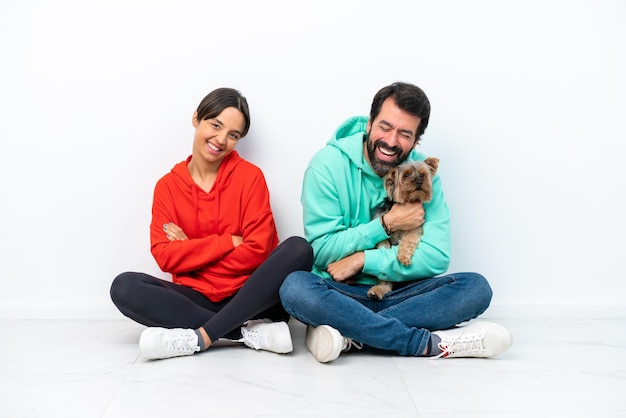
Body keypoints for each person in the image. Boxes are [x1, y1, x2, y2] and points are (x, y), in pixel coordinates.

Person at [279, 82, 512, 363]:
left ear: (416, 142)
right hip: (340, 291)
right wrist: (386, 224)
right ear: (369, 123)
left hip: (403, 291)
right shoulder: (326, 166)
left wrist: (362, 260)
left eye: (404, 134)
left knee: (475, 288)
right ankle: (425, 343)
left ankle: (348, 333)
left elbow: (436, 257)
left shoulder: (424, 175)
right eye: (385, 127)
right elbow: (324, 251)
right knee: (294, 287)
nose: (391, 141)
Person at [110, 87, 313, 360]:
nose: (220, 140)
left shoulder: (250, 178)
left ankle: (201, 336)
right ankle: (244, 334)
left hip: (251, 297)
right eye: (215, 125)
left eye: (233, 135)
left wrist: (190, 250)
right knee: (123, 287)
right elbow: (165, 256)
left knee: (299, 248)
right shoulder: (167, 187)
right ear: (196, 118)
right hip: (196, 297)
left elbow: (259, 251)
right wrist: (227, 242)